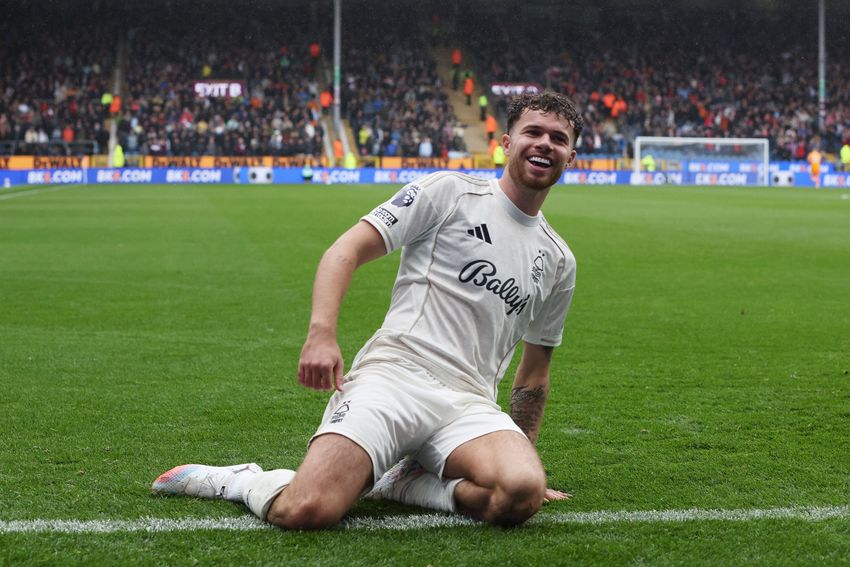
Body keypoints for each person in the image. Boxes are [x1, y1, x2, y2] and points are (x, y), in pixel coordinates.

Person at [152, 91, 584, 530]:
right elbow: (346, 250)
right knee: (308, 510)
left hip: (469, 403)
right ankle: (242, 480)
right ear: (507, 143)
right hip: (395, 375)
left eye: (558, 138)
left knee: (521, 492)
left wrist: (523, 451)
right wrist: (321, 334)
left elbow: (534, 373)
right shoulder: (450, 192)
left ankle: (407, 483)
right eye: (533, 132)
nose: (544, 144)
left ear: (570, 156)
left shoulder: (558, 260)